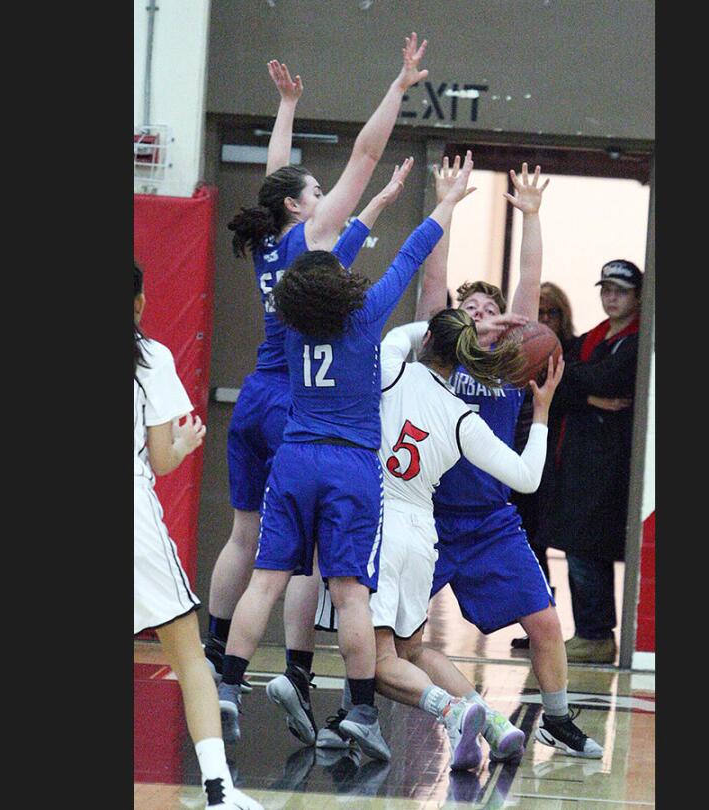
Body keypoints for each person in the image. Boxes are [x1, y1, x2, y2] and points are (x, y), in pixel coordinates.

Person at [216, 155, 478, 763]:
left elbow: (328, 260)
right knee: (351, 592)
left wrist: (378, 202)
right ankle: (361, 711)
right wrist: (445, 201)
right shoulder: (363, 319)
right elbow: (410, 256)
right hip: (351, 465)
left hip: (295, 458)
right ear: (340, 283)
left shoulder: (287, 319)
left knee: (267, 578)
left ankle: (228, 684)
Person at [205, 37, 429, 690]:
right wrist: (397, 86)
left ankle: (221, 655)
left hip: (253, 394)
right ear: (305, 208)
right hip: (295, 406)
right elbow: (362, 153)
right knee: (301, 560)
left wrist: (285, 107)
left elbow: (280, 174)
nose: (325, 192)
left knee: (246, 537)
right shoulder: (314, 239)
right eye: (318, 190)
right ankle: (298, 672)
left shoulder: (273, 241)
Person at [289, 308, 564, 771]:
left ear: (430, 339)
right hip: (422, 530)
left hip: (374, 521)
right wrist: (541, 413)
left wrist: (460, 329)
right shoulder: (463, 417)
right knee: (412, 650)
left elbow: (398, 333)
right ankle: (494, 723)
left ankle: (453, 711)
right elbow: (527, 476)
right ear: (462, 358)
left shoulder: (394, 368)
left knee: (372, 663)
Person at [395, 160, 604, 760]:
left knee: (543, 623)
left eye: (493, 308)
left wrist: (533, 217)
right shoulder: (440, 356)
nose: (486, 315)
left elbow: (530, 277)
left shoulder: (512, 364)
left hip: (490, 520)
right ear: (457, 324)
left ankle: (557, 719)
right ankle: (397, 711)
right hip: (428, 516)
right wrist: (448, 204)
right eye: (474, 310)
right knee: (402, 639)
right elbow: (435, 278)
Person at [134, 264, 262, 810]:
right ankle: (218, 791)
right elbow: (162, 459)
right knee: (190, 656)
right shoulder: (151, 358)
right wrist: (184, 444)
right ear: (138, 302)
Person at [538, 260, 643, 665]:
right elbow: (555, 382)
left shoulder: (634, 342)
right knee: (578, 547)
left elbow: (610, 378)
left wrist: (578, 384)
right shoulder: (592, 339)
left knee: (590, 547)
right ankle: (590, 633)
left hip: (610, 466)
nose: (611, 297)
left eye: (620, 290)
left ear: (637, 296)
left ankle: (597, 634)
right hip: (577, 462)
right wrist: (587, 396)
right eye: (605, 289)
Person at [508, 281, 578, 649]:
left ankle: (548, 619)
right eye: (540, 313)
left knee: (545, 539)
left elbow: (572, 395)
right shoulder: (511, 353)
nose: (545, 319)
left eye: (552, 313)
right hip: (515, 457)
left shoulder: (572, 352)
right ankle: (536, 619)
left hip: (554, 461)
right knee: (529, 542)